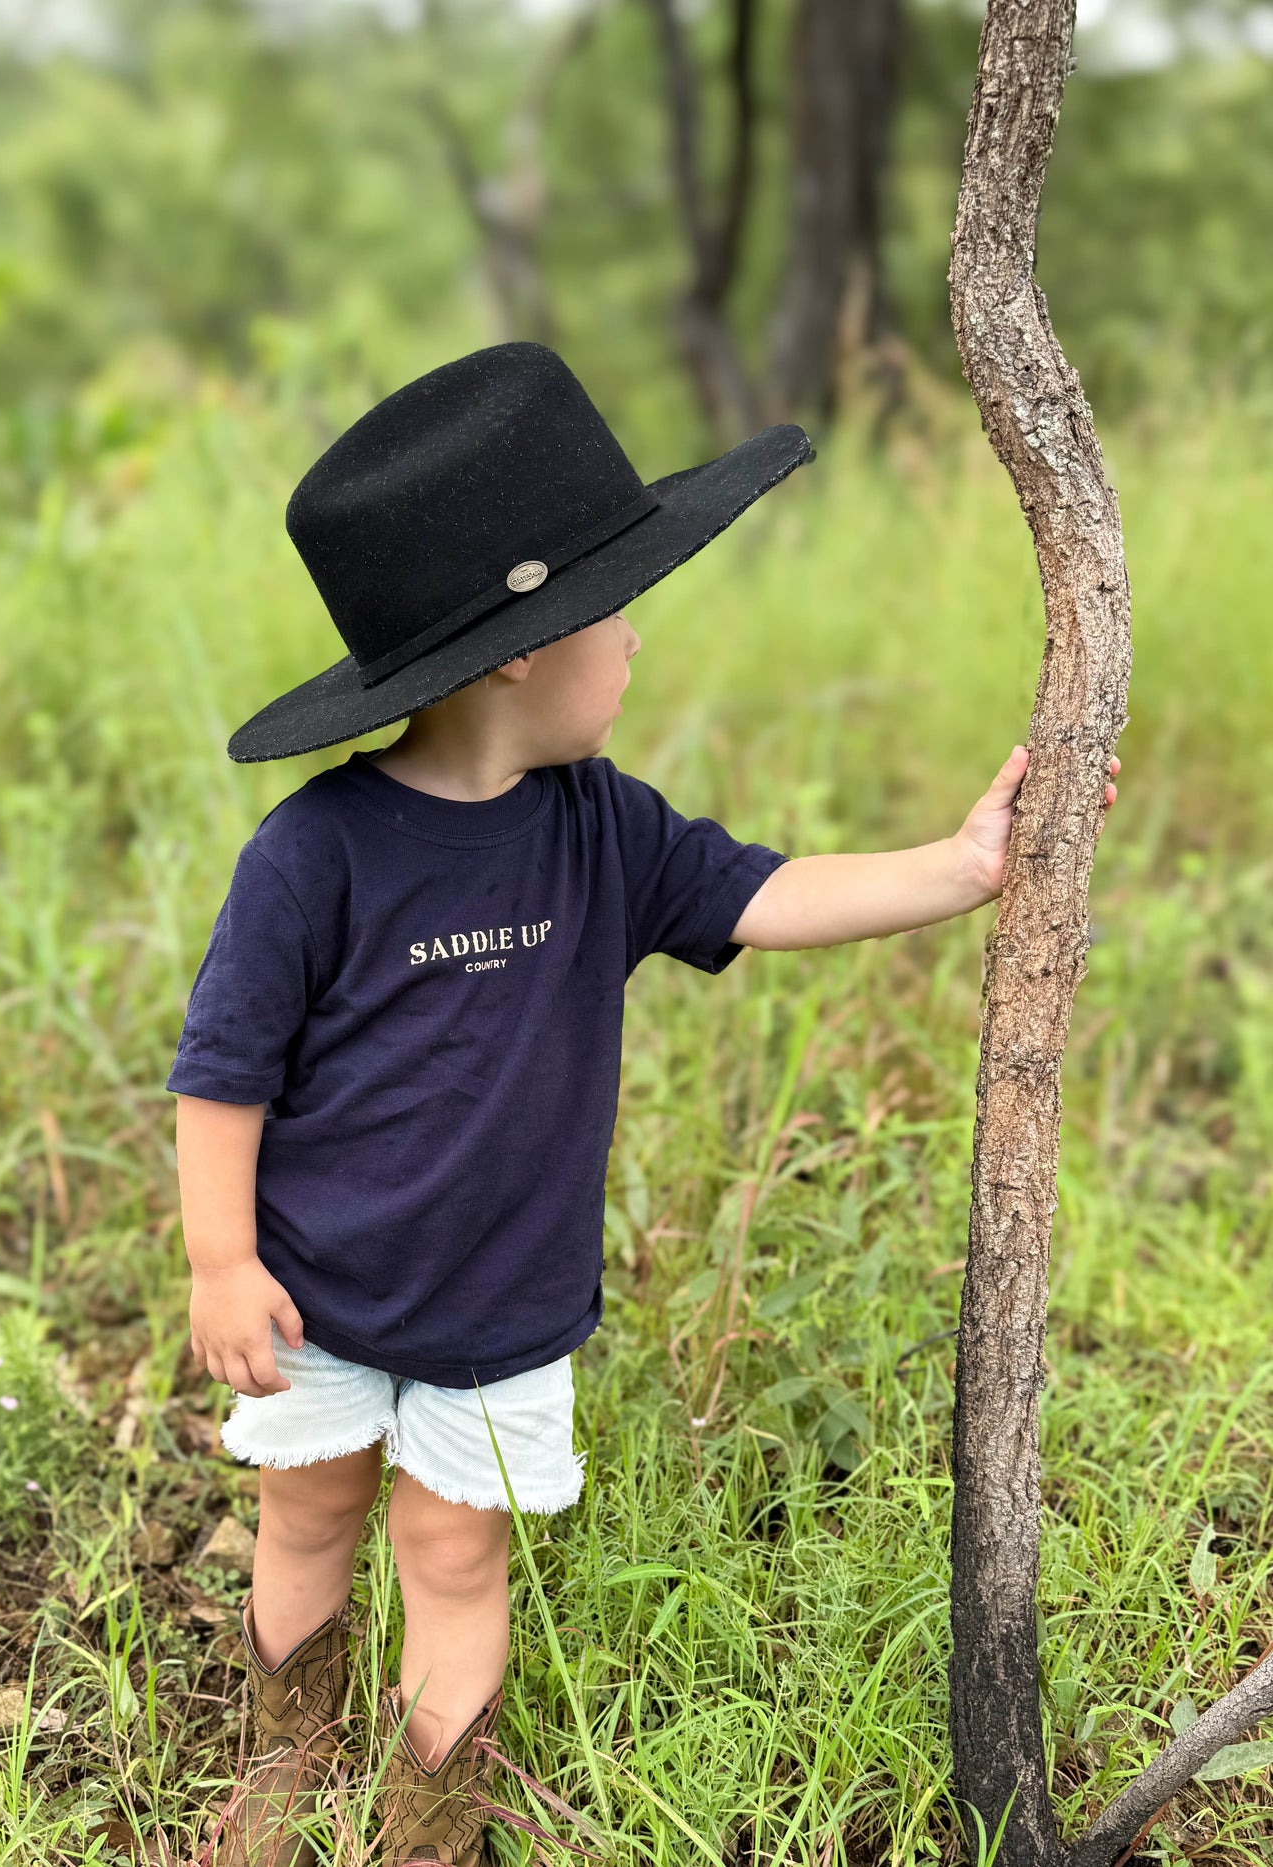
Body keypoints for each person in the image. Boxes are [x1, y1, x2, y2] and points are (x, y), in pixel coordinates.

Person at [166, 341, 1117, 1867]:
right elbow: (223, 1078)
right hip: (317, 1298)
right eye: (619, 610)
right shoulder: (315, 856)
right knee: (308, 1515)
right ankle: (283, 1763)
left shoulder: (599, 830)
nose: (636, 643)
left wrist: (966, 867)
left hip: (497, 1305)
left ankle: (429, 1824)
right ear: (521, 649)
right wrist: (223, 1262)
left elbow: (766, 894)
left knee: (454, 1548)